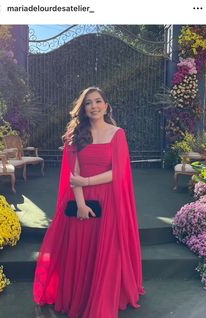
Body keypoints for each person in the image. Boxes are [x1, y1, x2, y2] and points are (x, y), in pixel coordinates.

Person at [33, 86, 145, 317]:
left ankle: (101, 296)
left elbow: (119, 173)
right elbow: (73, 175)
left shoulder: (118, 134)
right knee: (81, 250)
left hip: (109, 201)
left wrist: (86, 181)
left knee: (105, 251)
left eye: (98, 101)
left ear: (106, 106)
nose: (93, 106)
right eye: (88, 103)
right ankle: (81, 296)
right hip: (82, 202)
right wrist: (81, 204)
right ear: (83, 109)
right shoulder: (76, 136)